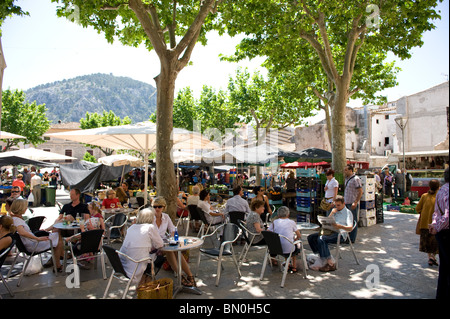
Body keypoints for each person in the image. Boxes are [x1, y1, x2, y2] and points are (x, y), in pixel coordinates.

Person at [152, 196, 196, 287]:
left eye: (159, 207)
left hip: (164, 243)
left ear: (163, 208)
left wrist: (172, 238)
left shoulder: (166, 217)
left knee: (176, 249)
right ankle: (181, 276)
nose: (157, 209)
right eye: (154, 207)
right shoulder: (149, 218)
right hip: (153, 245)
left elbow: (173, 229)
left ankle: (189, 275)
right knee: (171, 251)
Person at [11, 199, 64, 272]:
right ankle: (58, 263)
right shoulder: (17, 220)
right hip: (32, 245)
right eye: (25, 207)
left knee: (57, 237)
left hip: (29, 243)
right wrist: (37, 238)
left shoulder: (14, 218)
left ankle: (57, 262)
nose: (26, 208)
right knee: (58, 238)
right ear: (21, 208)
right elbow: (22, 232)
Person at [307, 195, 353, 272]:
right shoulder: (335, 211)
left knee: (322, 239)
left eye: (339, 205)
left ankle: (330, 263)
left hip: (340, 233)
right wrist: (331, 213)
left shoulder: (348, 213)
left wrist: (339, 226)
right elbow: (328, 221)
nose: (337, 207)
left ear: (343, 204)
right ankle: (321, 256)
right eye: (336, 205)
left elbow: (350, 228)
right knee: (311, 237)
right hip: (330, 231)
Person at [119, 208, 164, 284]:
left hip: (122, 266)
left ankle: (144, 283)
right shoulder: (150, 227)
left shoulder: (132, 228)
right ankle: (145, 284)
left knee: (150, 258)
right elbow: (160, 244)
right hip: (136, 265)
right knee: (161, 258)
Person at [429, 167, 449, 300]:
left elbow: (437, 212)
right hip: (446, 232)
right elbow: (447, 216)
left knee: (444, 268)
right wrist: (438, 226)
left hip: (442, 233)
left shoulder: (442, 191)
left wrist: (435, 225)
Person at [267, 206, 302, 273]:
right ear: (288, 214)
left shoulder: (275, 222)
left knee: (285, 242)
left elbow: (268, 232)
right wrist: (296, 239)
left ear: (278, 215)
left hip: (276, 248)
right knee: (294, 245)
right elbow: (299, 235)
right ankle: (294, 266)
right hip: (289, 249)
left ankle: (287, 264)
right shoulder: (292, 222)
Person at [415, 179, 440, 266]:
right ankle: (433, 256)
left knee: (427, 243)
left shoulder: (424, 196)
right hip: (436, 224)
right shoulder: (440, 196)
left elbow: (417, 208)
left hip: (424, 223)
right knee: (435, 242)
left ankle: (430, 257)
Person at [343, 164, 362, 243]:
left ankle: (352, 238)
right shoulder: (346, 179)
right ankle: (347, 237)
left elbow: (360, 191)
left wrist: (355, 202)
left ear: (351, 170)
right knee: (347, 220)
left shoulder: (356, 179)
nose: (345, 171)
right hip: (346, 202)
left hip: (352, 203)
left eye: (346, 170)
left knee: (353, 220)